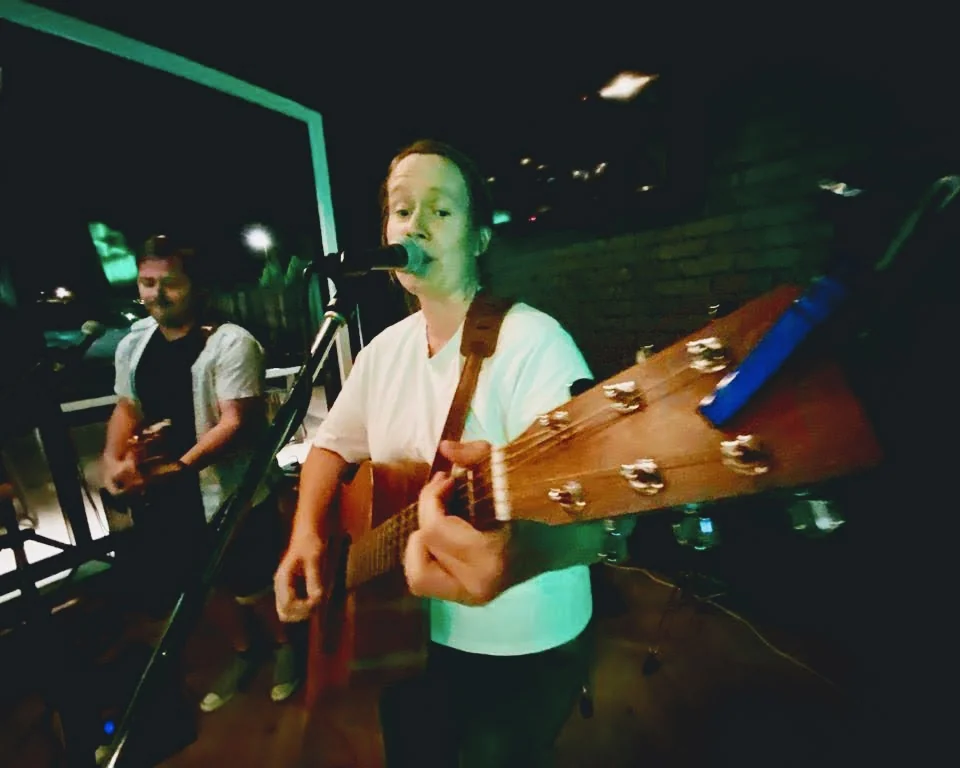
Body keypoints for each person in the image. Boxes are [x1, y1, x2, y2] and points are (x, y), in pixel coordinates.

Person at [275, 139, 623, 767]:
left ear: (481, 238)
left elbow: (596, 527)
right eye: (402, 210)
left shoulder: (534, 343)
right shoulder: (383, 349)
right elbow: (329, 446)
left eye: (441, 211)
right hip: (404, 634)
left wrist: (515, 554)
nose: (415, 226)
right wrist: (306, 535)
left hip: (522, 640)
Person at [101, 234, 301, 714]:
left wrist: (182, 467)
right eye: (147, 283)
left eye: (169, 283)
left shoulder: (231, 342)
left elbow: (237, 421)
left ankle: (285, 649)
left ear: (196, 286)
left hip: (229, 491)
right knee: (200, 584)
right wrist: (113, 458)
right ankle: (243, 652)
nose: (155, 294)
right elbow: (127, 406)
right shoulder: (133, 345)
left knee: (251, 582)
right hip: (166, 493)